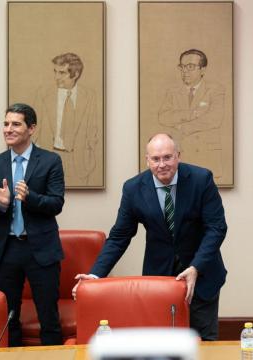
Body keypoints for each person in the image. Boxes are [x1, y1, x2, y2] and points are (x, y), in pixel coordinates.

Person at [73, 133, 227, 340]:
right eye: (155, 159)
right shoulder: (134, 188)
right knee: (161, 342)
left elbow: (216, 228)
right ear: (147, 160)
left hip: (201, 274)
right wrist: (94, 275)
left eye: (167, 157)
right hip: (159, 279)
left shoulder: (201, 179)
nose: (162, 164)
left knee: (204, 342)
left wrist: (196, 267)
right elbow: (120, 236)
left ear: (178, 156)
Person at [0, 103, 65, 346]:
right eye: (6, 124)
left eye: (15, 124)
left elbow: (56, 203)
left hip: (41, 249)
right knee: (8, 319)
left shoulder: (50, 161)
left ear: (31, 128)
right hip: (7, 249)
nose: (8, 129)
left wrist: (30, 198)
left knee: (48, 318)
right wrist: (1, 205)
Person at [33, 52, 99, 187]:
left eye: (62, 73)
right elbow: (33, 130)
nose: (56, 77)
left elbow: (94, 130)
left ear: (75, 75)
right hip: (49, 159)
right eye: (55, 71)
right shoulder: (43, 94)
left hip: (80, 162)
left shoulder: (89, 96)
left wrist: (90, 151)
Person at [158, 49, 225, 179]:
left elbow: (214, 119)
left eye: (190, 66)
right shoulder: (172, 91)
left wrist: (183, 127)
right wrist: (192, 114)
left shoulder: (216, 89)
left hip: (207, 154)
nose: (185, 71)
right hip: (182, 155)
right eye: (182, 67)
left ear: (203, 70)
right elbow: (163, 116)